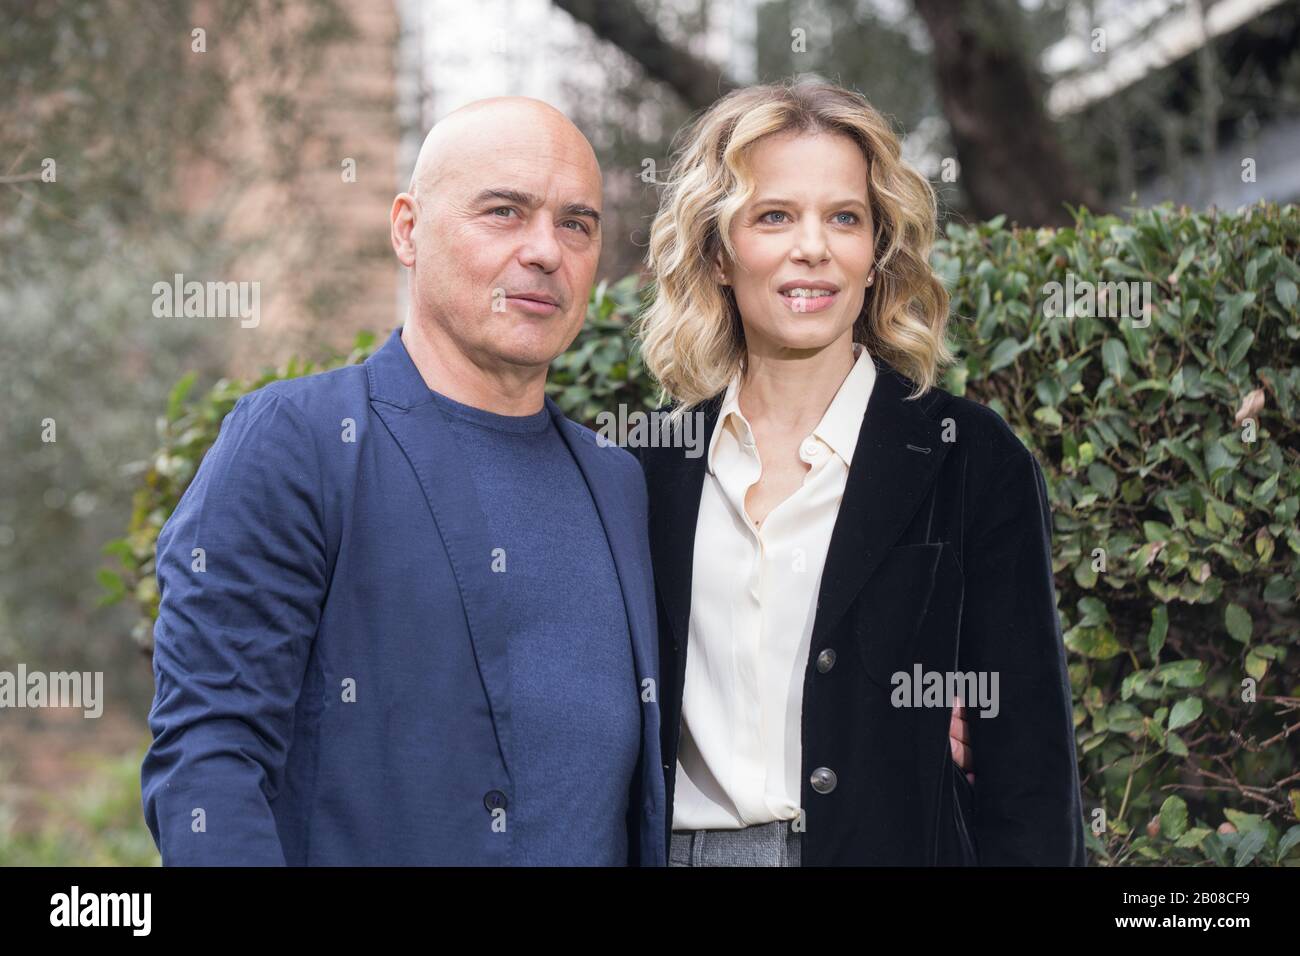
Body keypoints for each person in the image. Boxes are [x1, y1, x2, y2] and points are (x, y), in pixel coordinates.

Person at [141, 97, 665, 866]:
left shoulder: (618, 484)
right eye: (504, 212)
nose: (546, 251)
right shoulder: (300, 441)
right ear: (407, 229)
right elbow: (209, 757)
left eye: (576, 223)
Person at [636, 80, 1086, 866]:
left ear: (876, 254)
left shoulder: (970, 457)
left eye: (844, 218)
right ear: (717, 251)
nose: (813, 247)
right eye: (773, 215)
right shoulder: (645, 471)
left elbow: (1029, 768)